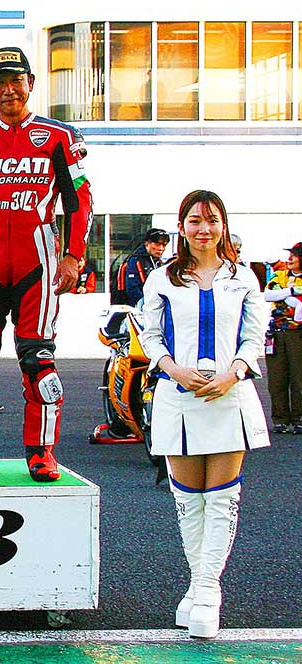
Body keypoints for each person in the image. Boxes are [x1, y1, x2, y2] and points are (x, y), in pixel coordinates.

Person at [0, 46, 93, 482]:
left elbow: (78, 199)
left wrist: (73, 255)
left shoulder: (59, 136)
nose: (9, 90)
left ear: (31, 84)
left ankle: (41, 452)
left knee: (39, 364)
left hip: (37, 262)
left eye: (16, 80)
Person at [138, 189, 268, 639]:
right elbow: (150, 335)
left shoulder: (243, 278)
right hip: (178, 397)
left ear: (223, 226)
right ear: (182, 227)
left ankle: (207, 590)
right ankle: (199, 585)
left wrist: (234, 373)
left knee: (222, 498)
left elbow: (254, 338)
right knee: (189, 500)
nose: (203, 229)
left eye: (212, 221)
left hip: (230, 397)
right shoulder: (162, 279)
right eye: (194, 221)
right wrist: (174, 369)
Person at [264, 242, 302, 434]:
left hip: (298, 333)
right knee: (276, 378)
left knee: (299, 378)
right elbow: (268, 295)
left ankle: (299, 418)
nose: (290, 258)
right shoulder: (279, 275)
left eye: (294, 255)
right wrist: (291, 292)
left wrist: (282, 294)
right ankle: (279, 419)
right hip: (276, 332)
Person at [120, 228, 170, 306]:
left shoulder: (159, 263)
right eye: (157, 244)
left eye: (164, 245)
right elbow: (132, 289)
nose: (161, 248)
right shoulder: (135, 261)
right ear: (147, 244)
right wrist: (146, 303)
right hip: (139, 306)